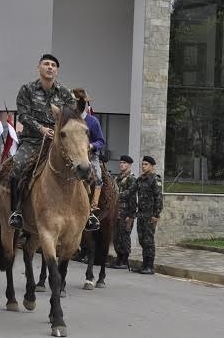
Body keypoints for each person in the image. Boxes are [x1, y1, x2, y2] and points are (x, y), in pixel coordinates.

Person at [8, 53, 75, 230]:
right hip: (33, 141)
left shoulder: (66, 93)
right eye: (46, 64)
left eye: (53, 65)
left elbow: (70, 117)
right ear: (38, 68)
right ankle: (16, 211)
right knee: (17, 166)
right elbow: (23, 115)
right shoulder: (27, 89)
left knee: (82, 167)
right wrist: (41, 129)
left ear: (57, 71)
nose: (50, 67)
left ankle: (86, 213)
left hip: (58, 142)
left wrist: (58, 131)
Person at [72, 88, 105, 231]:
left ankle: (92, 210)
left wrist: (91, 145)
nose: (75, 104)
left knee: (97, 177)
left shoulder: (92, 121)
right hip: (72, 155)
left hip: (90, 155)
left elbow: (101, 141)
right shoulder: (69, 120)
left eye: (77, 101)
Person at [129, 155, 163, 275]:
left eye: (146, 164)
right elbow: (130, 191)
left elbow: (159, 198)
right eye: (142, 164)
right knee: (142, 240)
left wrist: (156, 214)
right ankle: (144, 265)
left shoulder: (155, 179)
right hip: (141, 214)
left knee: (149, 241)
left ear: (152, 166)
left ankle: (149, 266)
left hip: (150, 215)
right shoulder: (140, 179)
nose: (143, 166)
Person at [110, 155, 137, 269]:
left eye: (124, 163)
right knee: (116, 237)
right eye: (120, 162)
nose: (121, 165)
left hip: (126, 212)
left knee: (124, 236)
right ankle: (119, 258)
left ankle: (124, 260)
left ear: (129, 165)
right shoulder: (117, 178)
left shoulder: (131, 179)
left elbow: (132, 196)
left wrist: (131, 215)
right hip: (117, 211)